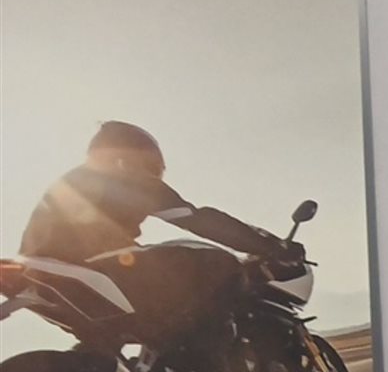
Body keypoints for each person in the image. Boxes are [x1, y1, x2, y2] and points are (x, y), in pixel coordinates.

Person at [19, 122, 295, 349]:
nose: (154, 176)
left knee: (112, 340)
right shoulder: (123, 177)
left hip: (45, 273)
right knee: (220, 262)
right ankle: (209, 356)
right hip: (87, 267)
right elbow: (196, 219)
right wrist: (268, 245)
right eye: (152, 167)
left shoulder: (74, 182)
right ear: (130, 156)